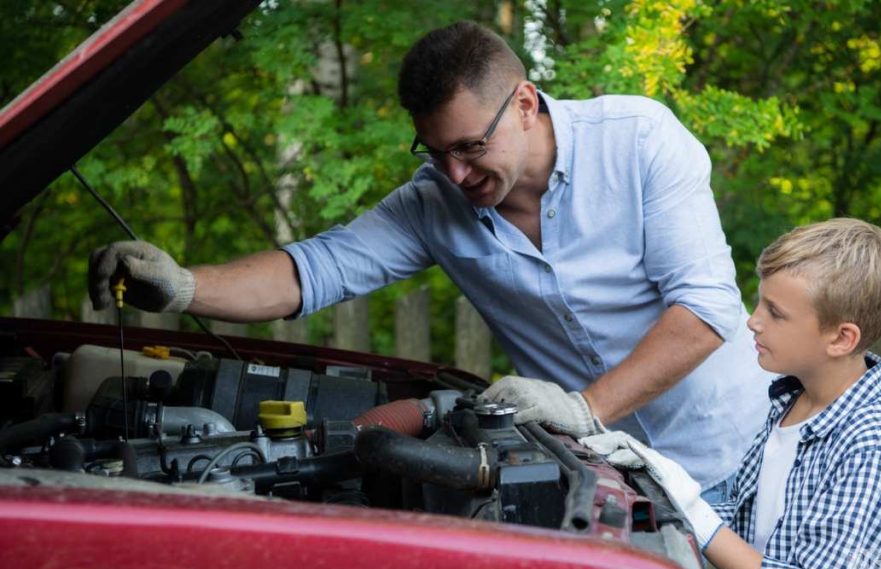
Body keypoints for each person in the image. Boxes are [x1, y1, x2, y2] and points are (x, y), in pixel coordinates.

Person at [88, 21, 769, 499]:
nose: (455, 173)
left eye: (471, 147)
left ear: (526, 104)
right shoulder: (431, 204)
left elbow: (705, 308)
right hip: (613, 483)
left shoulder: (641, 142)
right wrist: (182, 285)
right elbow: (312, 270)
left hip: (742, 457)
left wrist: (586, 408)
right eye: (435, 152)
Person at [583, 218, 881, 569]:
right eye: (759, 303)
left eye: (776, 314)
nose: (752, 321)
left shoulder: (875, 449)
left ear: (842, 339)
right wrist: (656, 491)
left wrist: (693, 510)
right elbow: (742, 527)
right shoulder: (791, 404)